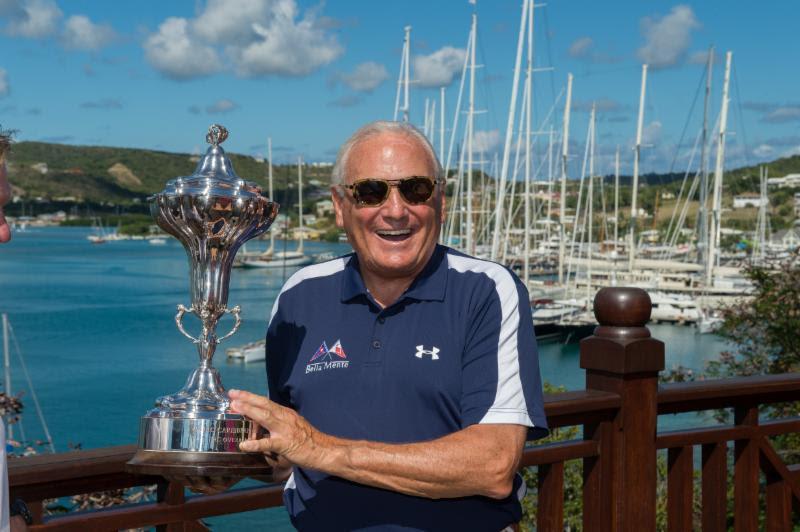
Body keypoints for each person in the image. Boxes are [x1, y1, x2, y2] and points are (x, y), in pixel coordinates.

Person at [229, 121, 547, 531]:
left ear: (441, 202)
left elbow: (492, 465)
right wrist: (225, 462)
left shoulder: (485, 290)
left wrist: (319, 447)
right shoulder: (299, 295)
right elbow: (290, 453)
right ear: (341, 207)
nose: (395, 210)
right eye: (371, 192)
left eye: (415, 189)